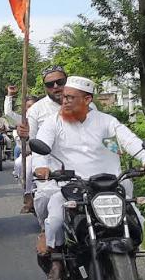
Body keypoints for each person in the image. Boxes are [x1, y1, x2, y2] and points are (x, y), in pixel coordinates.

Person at [32, 76, 145, 280]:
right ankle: (57, 260)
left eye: (70, 97)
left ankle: (130, 263)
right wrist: (41, 166)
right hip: (72, 186)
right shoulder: (53, 122)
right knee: (56, 220)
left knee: (136, 221)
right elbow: (41, 147)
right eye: (64, 97)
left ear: (87, 100)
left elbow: (129, 140)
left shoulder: (106, 121)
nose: (64, 101)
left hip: (111, 186)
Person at [16, 65, 97, 221]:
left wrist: (113, 148)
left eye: (60, 82)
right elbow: (29, 145)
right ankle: (45, 230)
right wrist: (24, 136)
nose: (55, 87)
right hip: (52, 165)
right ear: (45, 88)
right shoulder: (36, 110)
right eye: (50, 84)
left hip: (86, 160)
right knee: (45, 197)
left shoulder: (87, 104)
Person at [4, 86, 39, 213]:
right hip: (28, 154)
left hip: (46, 154)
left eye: (34, 106)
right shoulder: (21, 120)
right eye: (28, 106)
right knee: (20, 164)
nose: (31, 109)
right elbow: (8, 113)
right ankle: (27, 194)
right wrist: (9, 95)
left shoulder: (45, 119)